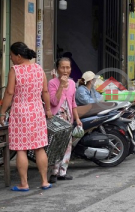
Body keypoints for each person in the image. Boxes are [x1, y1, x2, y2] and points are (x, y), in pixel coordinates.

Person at [0, 42, 53, 191]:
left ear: (18, 56)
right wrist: (48, 109)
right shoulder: (38, 68)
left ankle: (24, 184)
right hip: (37, 112)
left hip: (20, 113)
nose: (10, 59)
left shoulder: (15, 70)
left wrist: (2, 112)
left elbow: (9, 93)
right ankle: (44, 181)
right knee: (39, 147)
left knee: (21, 148)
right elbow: (45, 92)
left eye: (11, 56)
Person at [48, 57, 82, 183]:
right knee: (55, 145)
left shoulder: (73, 84)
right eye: (62, 67)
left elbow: (73, 103)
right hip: (56, 119)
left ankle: (63, 171)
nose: (65, 70)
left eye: (68, 67)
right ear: (58, 69)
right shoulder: (52, 83)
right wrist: (61, 85)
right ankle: (53, 172)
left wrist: (77, 119)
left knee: (67, 146)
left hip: (68, 118)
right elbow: (54, 101)